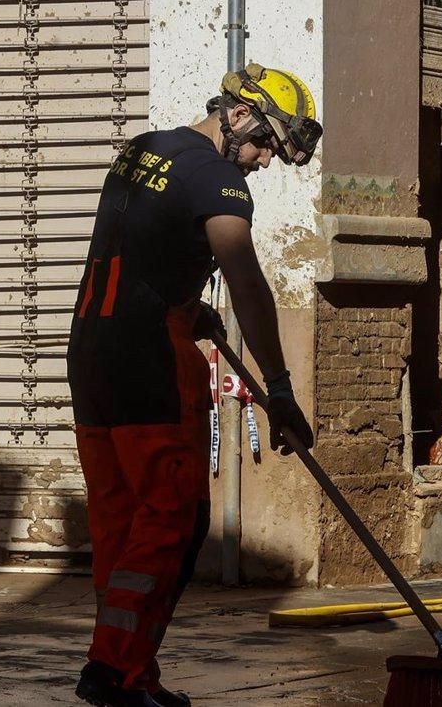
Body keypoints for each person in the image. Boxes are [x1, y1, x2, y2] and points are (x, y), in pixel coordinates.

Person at [67, 64, 322, 707]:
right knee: (176, 519)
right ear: (237, 115)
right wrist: (283, 387)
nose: (262, 161)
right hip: (146, 359)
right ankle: (113, 671)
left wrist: (188, 302)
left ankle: (126, 671)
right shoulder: (221, 180)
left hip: (92, 353)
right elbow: (247, 282)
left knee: (123, 522)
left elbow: (145, 249)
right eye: (265, 143)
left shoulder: (142, 150)